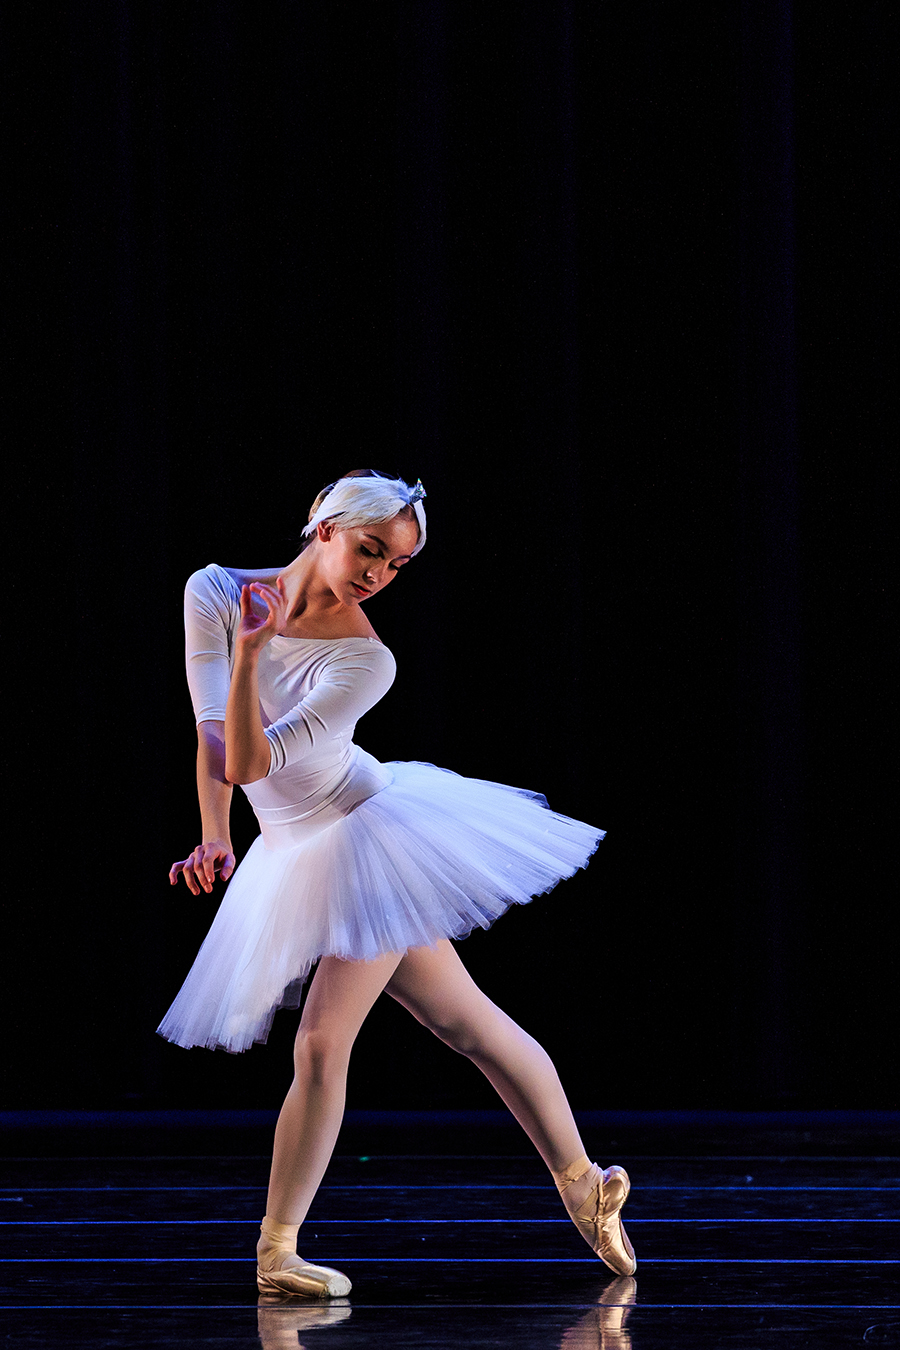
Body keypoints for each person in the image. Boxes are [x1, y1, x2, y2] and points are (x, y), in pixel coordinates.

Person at [159, 470, 636, 1298]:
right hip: (295, 845)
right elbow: (210, 735)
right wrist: (213, 836)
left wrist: (249, 654)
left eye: (397, 564)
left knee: (320, 1041)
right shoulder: (213, 590)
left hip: (365, 832)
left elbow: (248, 759)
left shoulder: (366, 660)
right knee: (467, 1023)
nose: (378, 573)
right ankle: (586, 1184)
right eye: (370, 550)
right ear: (322, 524)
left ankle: (277, 1252)